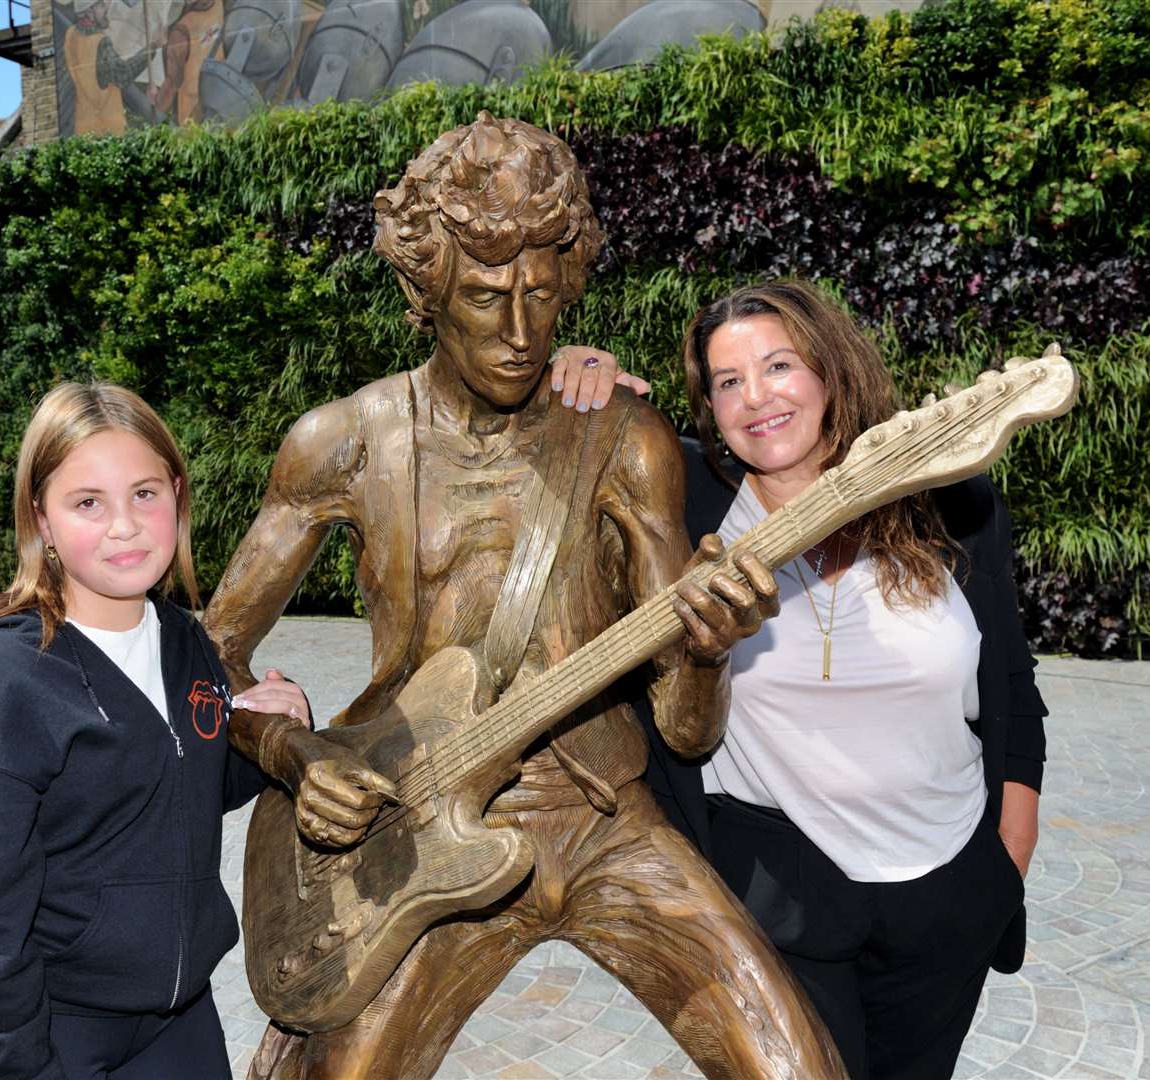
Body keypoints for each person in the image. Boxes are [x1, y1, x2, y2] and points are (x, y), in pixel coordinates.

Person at [206, 113, 843, 1080]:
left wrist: (707, 652)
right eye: (482, 296)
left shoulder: (623, 439)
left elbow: (685, 733)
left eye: (542, 296)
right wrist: (290, 753)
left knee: (795, 1064)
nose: (518, 333)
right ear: (426, 292)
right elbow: (206, 658)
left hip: (605, 820)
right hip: (424, 833)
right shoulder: (341, 441)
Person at [551, 280, 1047, 1080]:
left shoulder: (949, 503)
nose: (757, 398)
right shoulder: (685, 508)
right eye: (727, 382)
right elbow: (525, 446)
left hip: (948, 885)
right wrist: (574, 379)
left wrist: (1005, 859)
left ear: (830, 372)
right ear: (708, 407)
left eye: (778, 366)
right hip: (776, 890)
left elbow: (1014, 693)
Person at [0, 382, 311, 1079]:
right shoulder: (3, 686)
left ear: (179, 497)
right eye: (88, 502)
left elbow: (166, 780)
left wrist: (263, 730)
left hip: (178, 1026)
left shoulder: (186, 642)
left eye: (145, 494)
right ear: (43, 520)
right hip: (45, 1035)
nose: (124, 524)